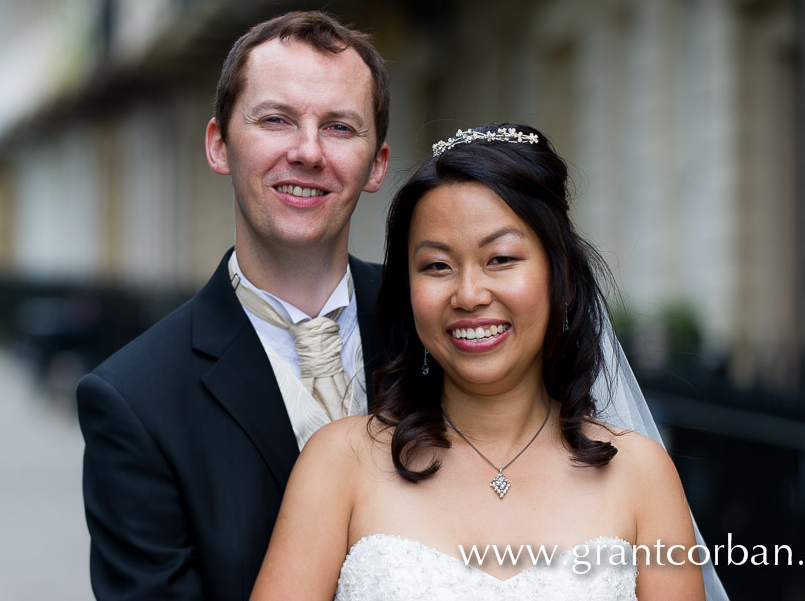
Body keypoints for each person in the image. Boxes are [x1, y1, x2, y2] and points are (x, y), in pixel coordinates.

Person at [253, 123, 720, 600]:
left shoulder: (640, 475)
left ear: (564, 277)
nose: (469, 295)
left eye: (500, 259)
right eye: (437, 266)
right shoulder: (340, 464)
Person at [76, 11, 391, 600]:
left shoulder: (441, 331)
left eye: (340, 128)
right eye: (276, 120)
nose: (307, 151)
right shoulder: (133, 400)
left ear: (377, 163)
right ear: (220, 145)